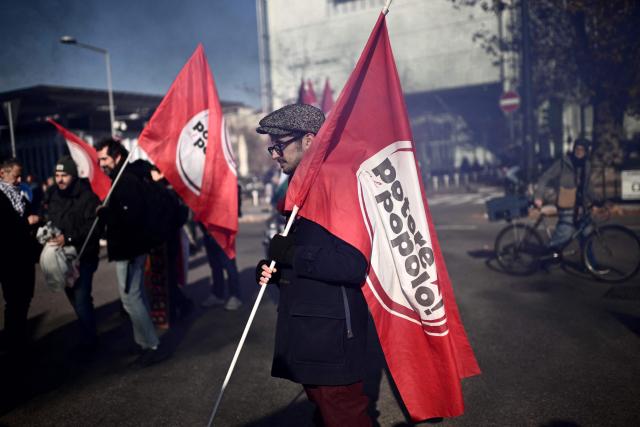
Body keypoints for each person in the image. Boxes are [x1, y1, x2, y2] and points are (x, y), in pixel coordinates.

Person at [256, 104, 372, 426]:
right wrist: (276, 270)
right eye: (272, 146)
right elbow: (309, 255)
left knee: (344, 417)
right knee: (324, 414)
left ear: (309, 140)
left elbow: (352, 264)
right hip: (310, 334)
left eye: (280, 144)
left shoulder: (335, 183)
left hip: (332, 338)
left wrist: (293, 255)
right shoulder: (302, 187)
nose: (274, 153)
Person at [94, 138, 167, 366]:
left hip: (130, 249)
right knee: (135, 297)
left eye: (104, 158)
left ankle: (151, 344)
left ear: (117, 157)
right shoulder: (124, 178)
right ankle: (143, 342)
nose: (102, 164)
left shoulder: (125, 181)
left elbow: (130, 219)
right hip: (132, 247)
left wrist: (107, 215)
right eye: (100, 160)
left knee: (130, 298)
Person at [44, 156, 101, 353]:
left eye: (64, 175)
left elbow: (93, 228)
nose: (60, 179)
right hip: (63, 258)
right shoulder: (53, 195)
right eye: (57, 175)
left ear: (74, 176)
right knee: (75, 298)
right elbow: (51, 219)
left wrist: (68, 238)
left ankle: (90, 342)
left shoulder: (87, 197)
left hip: (84, 255)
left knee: (81, 297)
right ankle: (89, 331)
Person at [0, 158, 41, 356]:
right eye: (16, 176)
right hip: (9, 259)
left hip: (24, 257)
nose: (19, 180)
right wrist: (26, 222)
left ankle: (19, 339)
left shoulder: (19, 195)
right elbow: (6, 227)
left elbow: (32, 212)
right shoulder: (1, 197)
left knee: (23, 300)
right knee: (14, 302)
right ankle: (13, 343)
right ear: (2, 174)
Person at [534, 137, 597, 252]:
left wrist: (597, 200)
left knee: (587, 235)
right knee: (564, 234)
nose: (579, 151)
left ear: (586, 151)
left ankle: (591, 266)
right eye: (577, 149)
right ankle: (549, 257)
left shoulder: (587, 165)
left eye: (582, 150)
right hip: (567, 205)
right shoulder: (564, 162)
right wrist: (538, 197)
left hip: (582, 207)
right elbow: (545, 177)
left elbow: (587, 187)